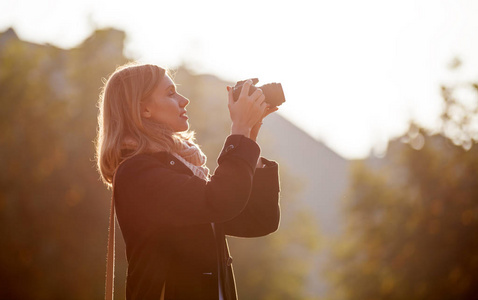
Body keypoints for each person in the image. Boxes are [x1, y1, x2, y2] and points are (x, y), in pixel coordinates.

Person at [95, 62, 281, 300]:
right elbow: (220, 200)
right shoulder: (137, 173)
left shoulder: (180, 167)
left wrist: (249, 138)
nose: (184, 100)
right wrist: (239, 130)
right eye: (170, 93)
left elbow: (257, 220)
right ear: (144, 109)